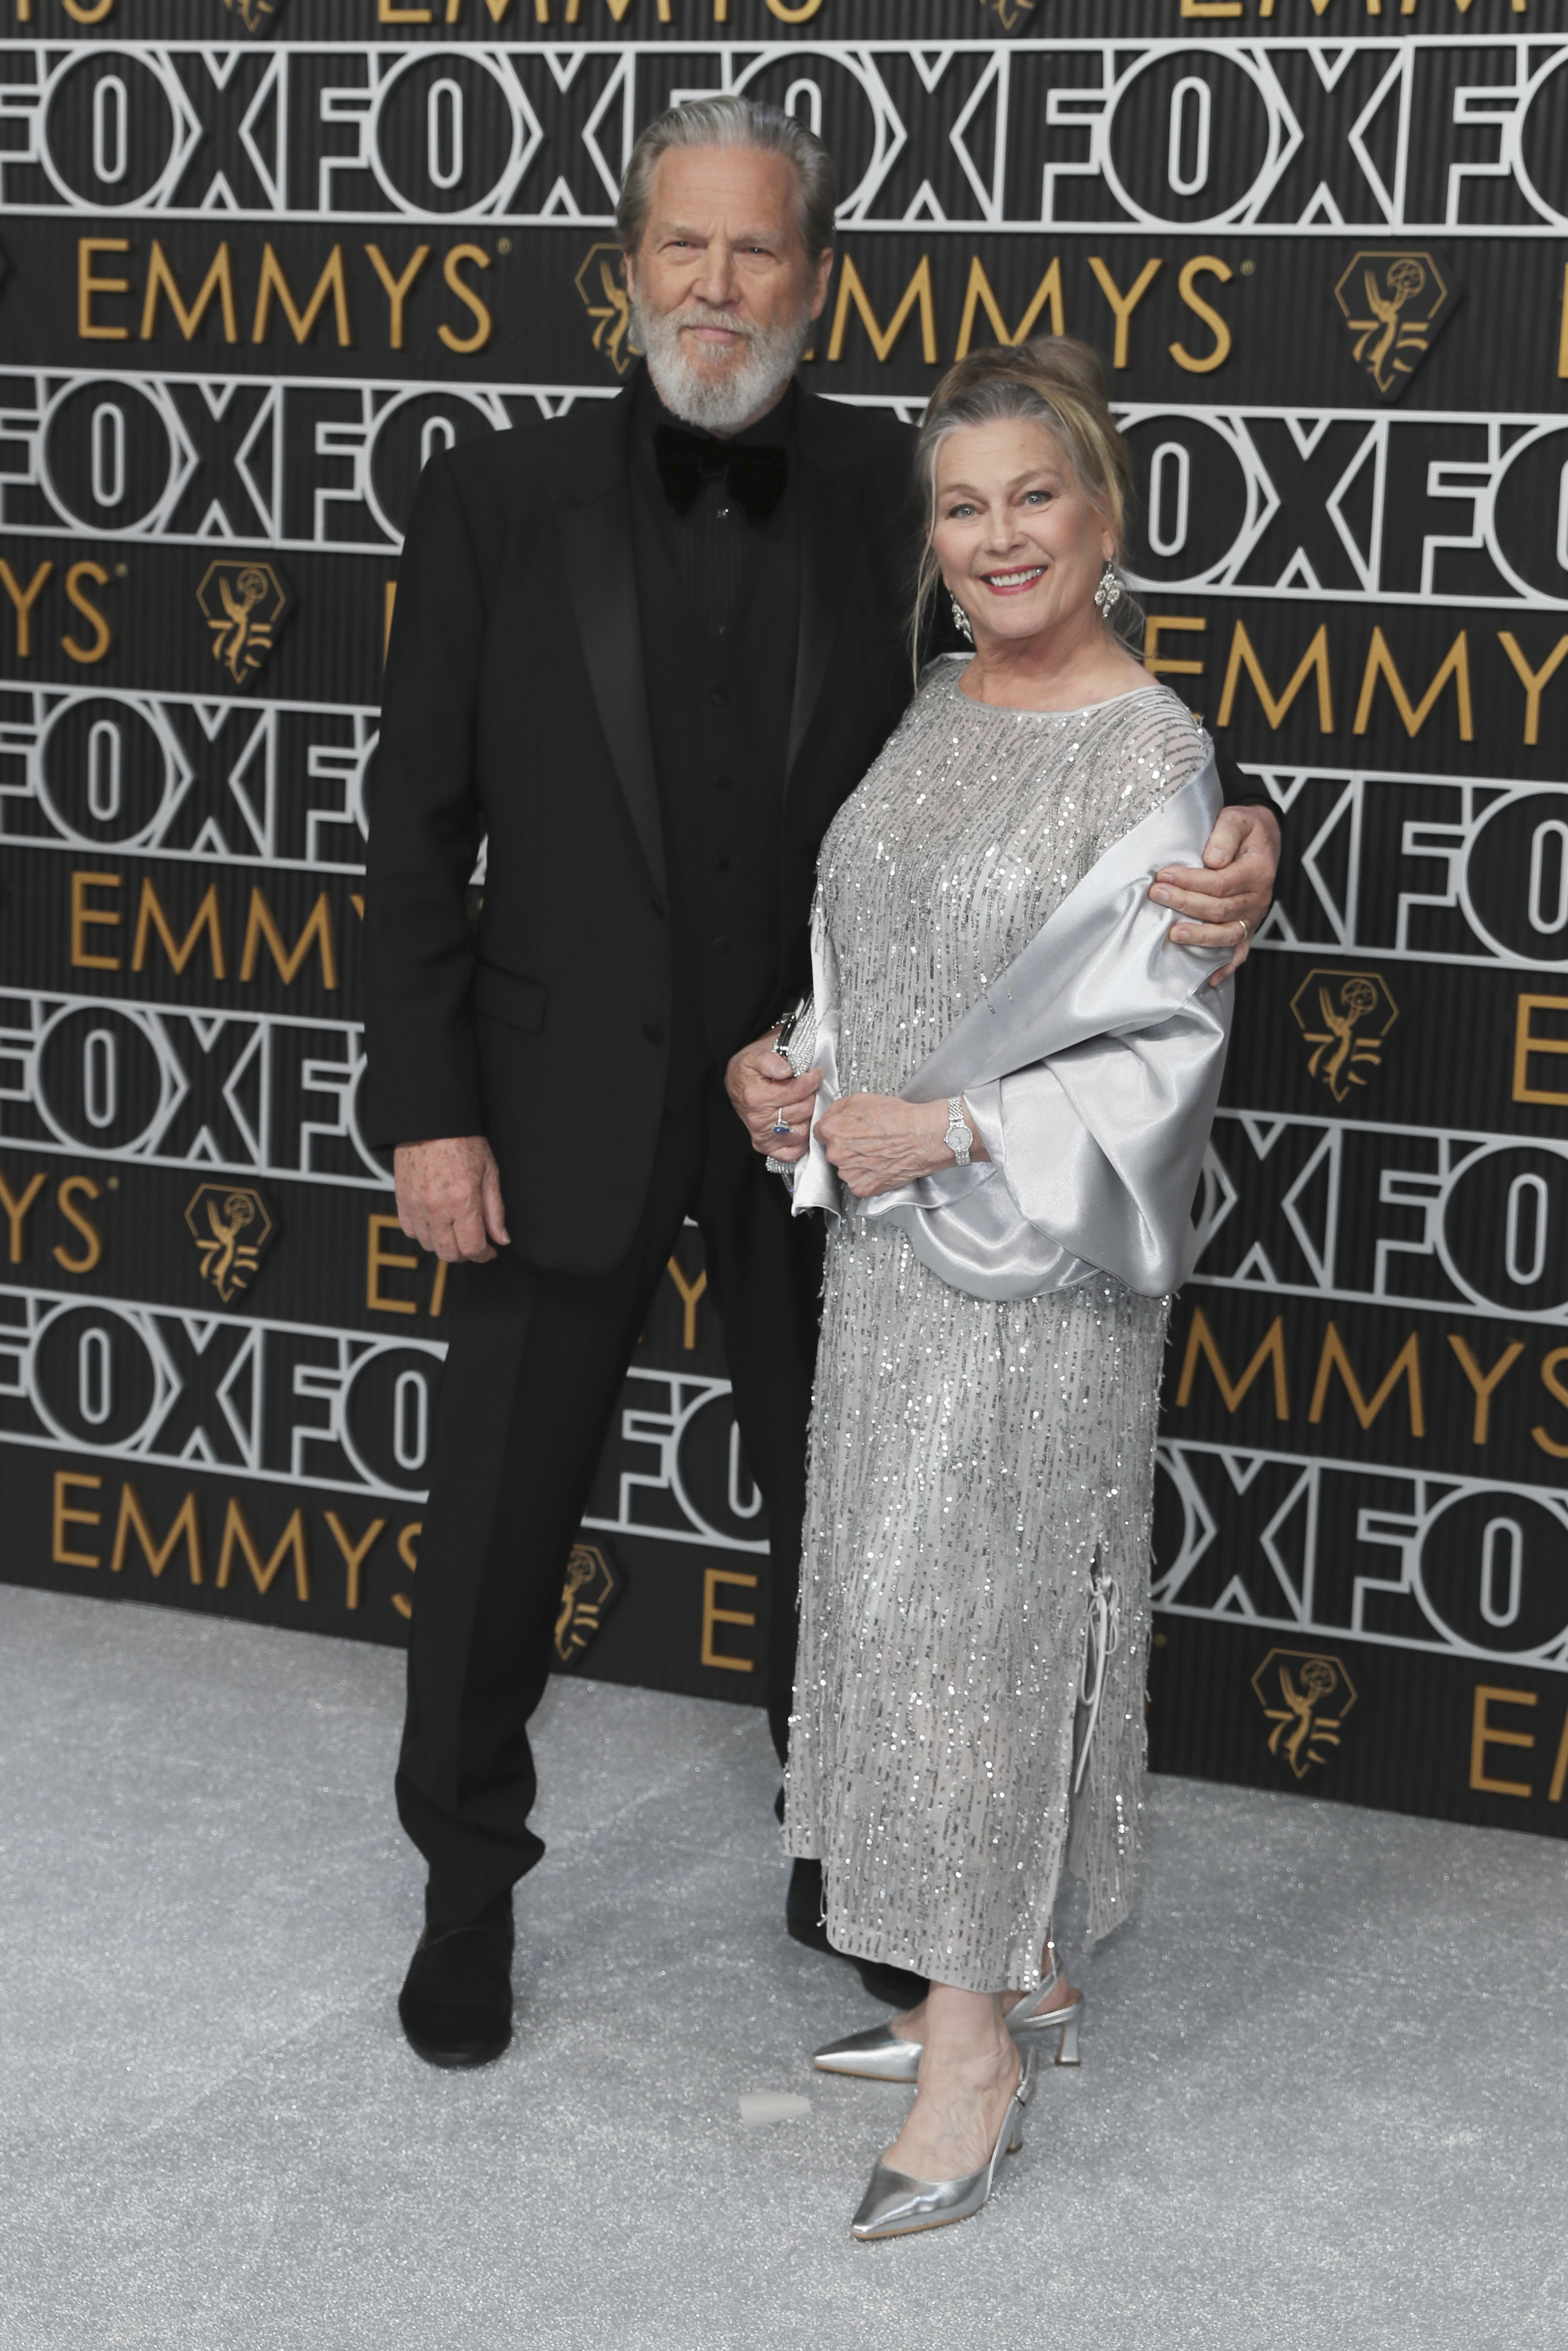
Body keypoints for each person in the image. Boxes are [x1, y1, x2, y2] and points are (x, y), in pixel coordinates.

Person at [362, 94, 1279, 2071]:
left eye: (755, 251)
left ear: (817, 279)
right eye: (680, 249)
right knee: (495, 1531)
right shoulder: (490, 497)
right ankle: (463, 1893)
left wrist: (1246, 811)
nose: (715, 288)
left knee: (848, 1513)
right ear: (627, 275)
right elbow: (415, 829)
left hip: (824, 1109)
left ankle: (845, 1861)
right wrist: (427, 1104)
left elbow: (1069, 660)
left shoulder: (896, 484)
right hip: (544, 1110)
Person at [776, 338, 1236, 2239]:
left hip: (1037, 1274)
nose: (998, 538)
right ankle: (1013, 1966)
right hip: (892, 1264)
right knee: (893, 1617)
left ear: (1103, 513)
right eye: (963, 509)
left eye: (1033, 497)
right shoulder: (936, 700)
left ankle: (972, 2059)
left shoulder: (1157, 752)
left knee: (980, 1628)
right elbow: (884, 958)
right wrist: (793, 1069)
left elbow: (1156, 1058)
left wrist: (943, 1138)